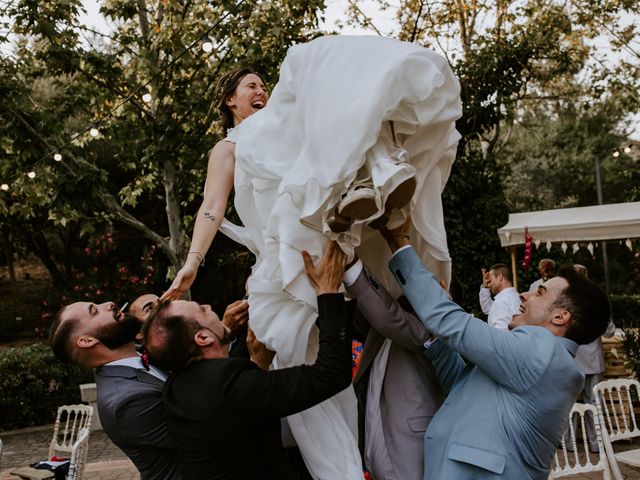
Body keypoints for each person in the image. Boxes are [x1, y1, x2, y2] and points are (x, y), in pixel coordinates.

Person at [162, 35, 461, 479]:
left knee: (333, 94)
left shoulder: (294, 129)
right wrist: (191, 262)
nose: (261, 91)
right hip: (280, 269)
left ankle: (380, 177)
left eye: (264, 85)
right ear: (229, 101)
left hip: (329, 250)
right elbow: (211, 206)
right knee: (312, 389)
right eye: (250, 87)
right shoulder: (230, 149)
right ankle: (341, 472)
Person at [377, 220, 611, 479]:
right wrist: (437, 333)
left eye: (539, 293)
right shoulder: (547, 364)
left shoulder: (543, 354)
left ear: (560, 317)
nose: (524, 295)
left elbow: (455, 324)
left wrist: (398, 241)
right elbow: (462, 385)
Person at [142, 241, 353, 480]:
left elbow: (235, 418)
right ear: (202, 338)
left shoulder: (175, 389)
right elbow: (331, 374)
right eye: (201, 309)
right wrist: (328, 294)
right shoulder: (230, 388)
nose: (209, 306)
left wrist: (257, 364)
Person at [48, 301, 181, 480]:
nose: (109, 304)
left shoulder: (150, 349)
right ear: (87, 341)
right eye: (94, 311)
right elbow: (207, 433)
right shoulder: (127, 402)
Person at [344, 259, 444, 480]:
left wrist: (350, 264)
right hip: (375, 446)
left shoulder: (430, 331)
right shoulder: (383, 329)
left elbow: (387, 315)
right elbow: (366, 311)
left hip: (406, 451)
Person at [567, 263, 616, 452]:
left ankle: (569, 443)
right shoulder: (598, 299)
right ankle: (596, 444)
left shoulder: (566, 298)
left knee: (569, 403)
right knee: (593, 402)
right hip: (593, 359)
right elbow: (610, 331)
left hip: (572, 358)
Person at [479, 263, 521, 330]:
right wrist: (484, 287)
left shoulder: (502, 302)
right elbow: (487, 308)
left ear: (500, 277)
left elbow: (501, 334)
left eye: (490, 280)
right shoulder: (516, 296)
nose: (489, 284)